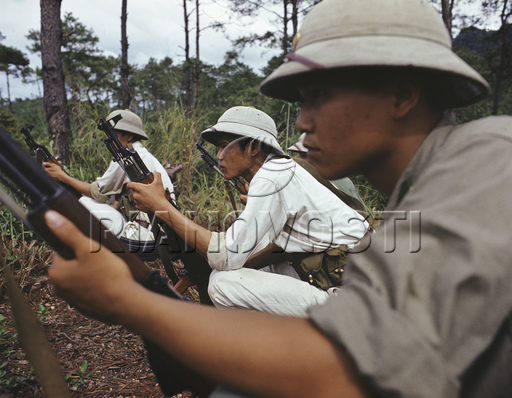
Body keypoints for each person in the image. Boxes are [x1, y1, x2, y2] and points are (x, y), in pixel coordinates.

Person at [45, 0, 512, 397]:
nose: (304, 121)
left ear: (402, 94)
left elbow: (349, 375)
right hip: (337, 281)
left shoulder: (490, 160)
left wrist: (129, 301)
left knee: (224, 288)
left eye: (320, 95)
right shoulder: (437, 185)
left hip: (335, 289)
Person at [128, 105, 370, 317]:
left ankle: (274, 351)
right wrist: (244, 264)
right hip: (361, 289)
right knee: (244, 266)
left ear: (253, 147)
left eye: (224, 146)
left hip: (352, 302)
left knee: (221, 283)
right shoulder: (281, 171)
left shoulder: (272, 176)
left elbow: (225, 255)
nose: (219, 156)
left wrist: (162, 206)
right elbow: (279, 249)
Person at [44, 109, 175, 241]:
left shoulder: (127, 158)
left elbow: (97, 193)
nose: (109, 139)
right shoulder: (145, 155)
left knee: (84, 202)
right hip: (163, 231)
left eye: (113, 134)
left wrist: (62, 176)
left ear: (129, 136)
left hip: (146, 234)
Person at [287, 132, 367, 212]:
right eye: (300, 156)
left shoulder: (338, 181)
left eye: (304, 156)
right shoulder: (302, 179)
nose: (300, 160)